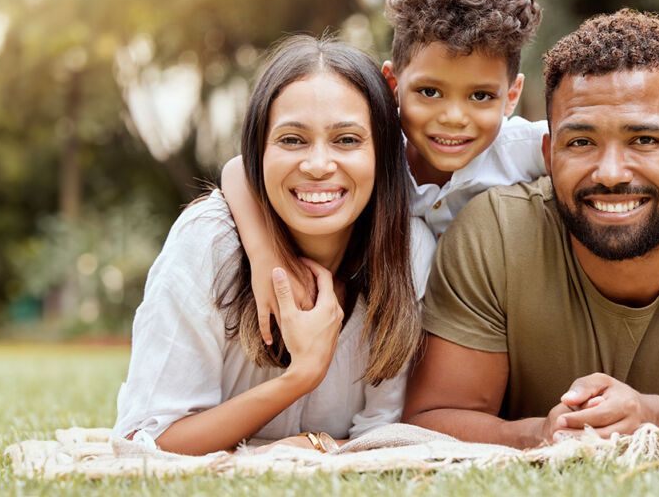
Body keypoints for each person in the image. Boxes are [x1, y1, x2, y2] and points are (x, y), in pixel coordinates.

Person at [222, 0, 659, 343]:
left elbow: (645, 157)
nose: (453, 117)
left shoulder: (524, 147)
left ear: (511, 96)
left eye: (481, 96)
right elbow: (239, 171)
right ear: (393, 82)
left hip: (483, 331)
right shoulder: (370, 152)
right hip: (390, 330)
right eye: (429, 92)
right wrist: (267, 254)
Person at [402, 9, 659, 448]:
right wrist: (542, 431)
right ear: (548, 154)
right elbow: (434, 418)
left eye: (645, 140)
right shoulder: (494, 232)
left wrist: (657, 417)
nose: (612, 173)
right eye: (581, 142)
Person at [113, 36, 434, 455]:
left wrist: (310, 445)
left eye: (348, 140)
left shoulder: (407, 253)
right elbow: (146, 443)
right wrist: (299, 377)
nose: (318, 165)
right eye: (292, 140)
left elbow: (380, 437)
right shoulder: (210, 243)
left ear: (383, 155)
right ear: (257, 153)